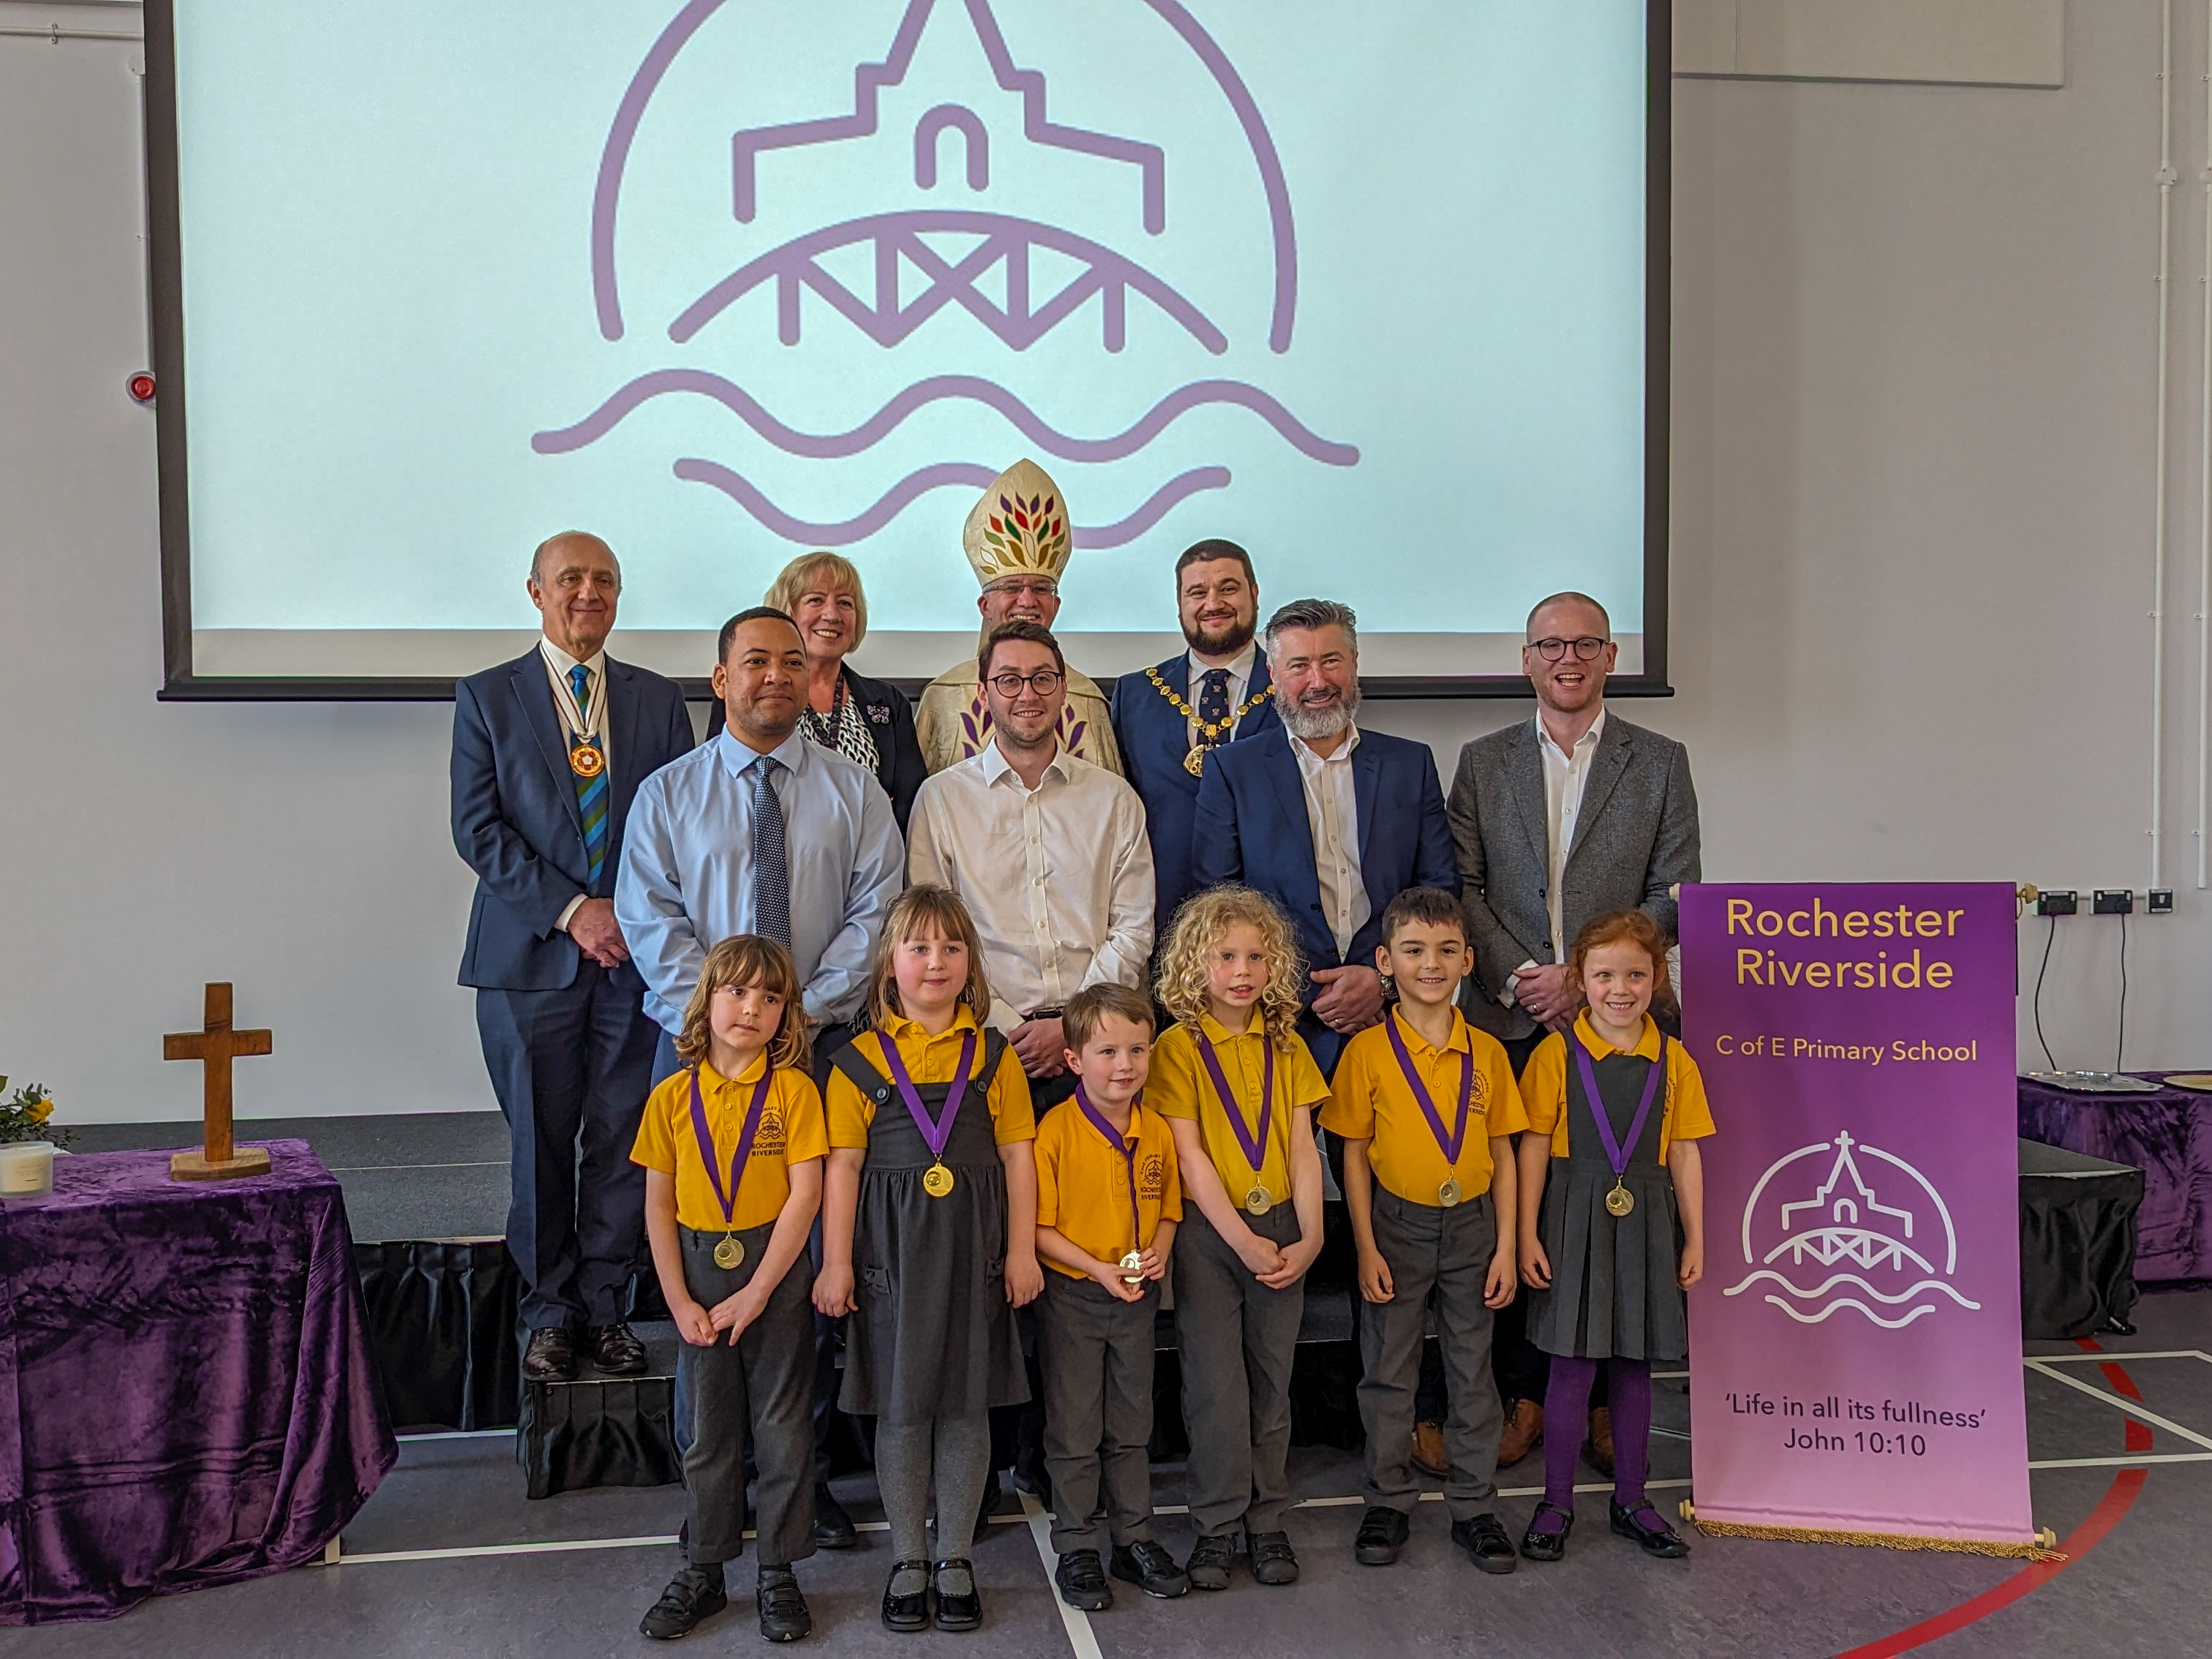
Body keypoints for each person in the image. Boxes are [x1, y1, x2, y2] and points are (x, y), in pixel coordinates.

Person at [616, 604, 904, 1544]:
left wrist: (801, 1014)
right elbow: (654, 927)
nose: (774, 675)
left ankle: (801, 1480)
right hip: (700, 1061)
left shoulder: (856, 793)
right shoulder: (666, 796)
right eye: (754, 662)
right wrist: (732, 1025)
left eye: (790, 661)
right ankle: (714, 1492)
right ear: (720, 676)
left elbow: (876, 914)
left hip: (819, 1053)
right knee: (712, 1251)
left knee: (810, 1269)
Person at [1445, 589, 1701, 1471]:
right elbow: (1464, 888)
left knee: (1615, 1213)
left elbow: (1677, 892)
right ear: (1527, 659)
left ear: (1611, 658)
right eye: (1551, 645)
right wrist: (1530, 977)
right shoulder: (1482, 761)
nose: (1568, 659)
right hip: (1514, 1022)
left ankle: (1600, 1406)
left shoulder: (1660, 761)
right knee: (1527, 1217)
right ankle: (1527, 1397)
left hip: (1619, 1025)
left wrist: (1588, 979)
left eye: (1586, 645)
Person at [452, 531, 696, 1384]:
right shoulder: (488, 697)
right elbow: (477, 831)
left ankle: (605, 1308)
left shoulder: (658, 701)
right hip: (529, 961)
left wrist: (629, 917)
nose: (587, 593)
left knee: (627, 1143)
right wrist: (573, 911)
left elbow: (680, 827)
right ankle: (548, 1314)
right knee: (542, 1146)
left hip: (636, 963)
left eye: (603, 580)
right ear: (535, 592)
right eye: (570, 579)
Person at [814, 886, 1044, 1633]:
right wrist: (838, 1263)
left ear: (970, 963)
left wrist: (1019, 1251)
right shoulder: (855, 1063)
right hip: (892, 1257)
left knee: (966, 1403)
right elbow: (842, 1170)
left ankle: (955, 1556)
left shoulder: (995, 1053)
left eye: (951, 947)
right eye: (918, 947)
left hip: (974, 1251)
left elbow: (1018, 1158)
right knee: (905, 1404)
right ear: (889, 965)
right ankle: (908, 1555)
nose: (935, 962)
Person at [1321, 887, 1524, 1575]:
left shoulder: (1489, 1053)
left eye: (1444, 951)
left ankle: (1474, 1504)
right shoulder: (1366, 1053)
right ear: (1384, 961)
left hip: (1472, 1226)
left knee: (1474, 1370)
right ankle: (1388, 1498)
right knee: (1388, 1369)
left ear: (1468, 960)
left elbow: (1502, 1151)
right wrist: (1366, 1244)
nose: (1429, 964)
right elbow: (1351, 1151)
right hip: (1395, 1225)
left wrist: (1506, 1243)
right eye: (1412, 951)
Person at [632, 936, 826, 1643]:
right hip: (698, 1273)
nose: (752, 1008)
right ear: (707, 999)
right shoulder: (669, 1097)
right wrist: (679, 1301)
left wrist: (760, 1291)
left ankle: (779, 1569)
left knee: (781, 1427)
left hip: (773, 1269)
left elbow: (806, 1198)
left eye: (771, 997)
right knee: (708, 1434)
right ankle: (705, 1570)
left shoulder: (796, 1092)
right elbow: (657, 1206)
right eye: (738, 991)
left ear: (787, 1014)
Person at [1147, 886, 1329, 1591]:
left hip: (1283, 1229)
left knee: (1270, 1381)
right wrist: (1242, 1242)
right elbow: (1189, 1158)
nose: (1242, 971)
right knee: (1215, 1385)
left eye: (1256, 957)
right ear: (1196, 964)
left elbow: (1302, 1149)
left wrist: (1310, 1237)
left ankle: (1267, 1520)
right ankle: (1218, 1525)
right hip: (1211, 1235)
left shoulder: (1287, 1045)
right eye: (1225, 957)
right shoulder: (1176, 1048)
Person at [1515, 910, 1710, 1564]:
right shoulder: (1553, 1055)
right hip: (1572, 1219)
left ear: (1657, 978)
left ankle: (1633, 1499)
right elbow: (1534, 1149)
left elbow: (1684, 1153)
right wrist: (1525, 1235)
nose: (1620, 988)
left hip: (1649, 1219)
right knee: (1570, 1367)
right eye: (1603, 975)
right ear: (1579, 980)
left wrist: (1696, 1239)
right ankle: (1556, 1501)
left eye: (1635, 973)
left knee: (1635, 1365)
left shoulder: (1676, 1059)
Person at [1191, 598, 1458, 1074]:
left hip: (1392, 1015)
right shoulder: (1232, 770)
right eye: (1299, 665)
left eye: (1331, 661)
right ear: (1272, 674)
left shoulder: (1410, 764)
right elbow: (1221, 900)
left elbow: (1436, 890)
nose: (1318, 681)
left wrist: (1381, 976)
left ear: (1354, 665)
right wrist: (1315, 990)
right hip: (1276, 1019)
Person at [907, 621, 1155, 1110]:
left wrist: (1074, 1024)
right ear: (983, 692)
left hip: (1103, 1046)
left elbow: (1133, 927)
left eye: (1043, 678)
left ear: (1063, 688)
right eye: (1009, 680)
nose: (1028, 694)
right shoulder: (942, 799)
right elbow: (933, 932)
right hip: (984, 1040)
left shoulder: (1113, 799)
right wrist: (1005, 1023)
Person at [1031, 982, 1189, 1611]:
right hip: (1074, 1298)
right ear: (1073, 1060)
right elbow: (1039, 1228)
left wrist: (1162, 1249)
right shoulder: (1055, 1133)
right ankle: (1075, 1544)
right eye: (1107, 1053)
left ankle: (1133, 1536)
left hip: (1136, 1299)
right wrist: (1096, 1268)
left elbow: (1170, 1209)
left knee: (1131, 1424)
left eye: (1137, 1051)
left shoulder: (1157, 1132)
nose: (1125, 1066)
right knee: (1073, 1428)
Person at [914, 459, 1124, 776]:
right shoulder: (943, 697)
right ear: (985, 605)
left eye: (1041, 588)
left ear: (1056, 605)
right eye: (1011, 587)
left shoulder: (1087, 699)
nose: (1027, 600)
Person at [1110, 538, 1279, 930]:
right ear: (1180, 603)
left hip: (1272, 923)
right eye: (1197, 592)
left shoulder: (1292, 687)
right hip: (1159, 916)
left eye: (1229, 588)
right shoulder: (1135, 693)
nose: (1213, 603)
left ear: (1254, 594)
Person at [704, 552, 928, 832]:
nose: (832, 615)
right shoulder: (750, 693)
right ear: (787, 612)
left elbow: (910, 803)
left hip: (867, 859)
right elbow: (717, 784)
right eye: (816, 600)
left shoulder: (888, 702)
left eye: (845, 603)